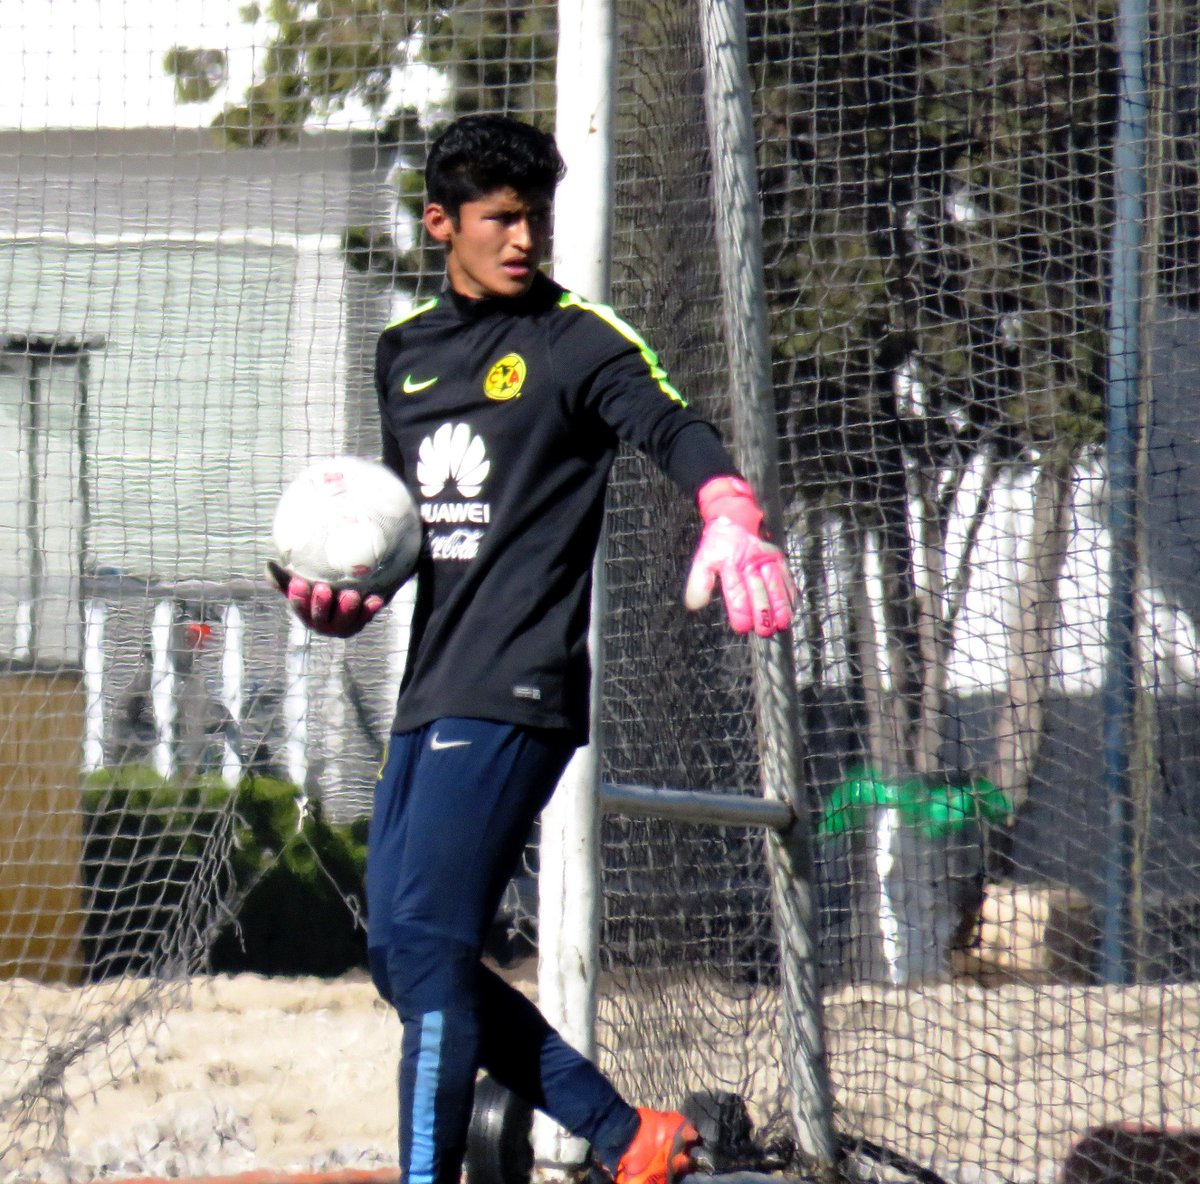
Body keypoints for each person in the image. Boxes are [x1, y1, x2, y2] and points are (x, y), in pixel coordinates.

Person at [271, 113, 795, 1184]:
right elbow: (409, 532)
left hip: (518, 686)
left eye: (535, 218)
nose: (524, 238)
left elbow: (675, 426)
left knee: (429, 948)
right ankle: (630, 1135)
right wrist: (348, 599)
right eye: (501, 218)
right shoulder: (403, 354)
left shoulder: (575, 340)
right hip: (431, 687)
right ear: (440, 223)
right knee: (402, 958)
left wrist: (728, 509)